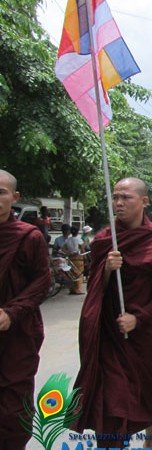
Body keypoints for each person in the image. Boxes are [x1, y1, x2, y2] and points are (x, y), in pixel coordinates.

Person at [71, 177, 152, 449]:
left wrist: (139, 318)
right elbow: (94, 287)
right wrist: (107, 270)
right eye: (116, 197)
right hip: (111, 332)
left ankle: (149, 440)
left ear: (144, 201)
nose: (119, 203)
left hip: (147, 332)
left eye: (126, 197)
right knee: (111, 397)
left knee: (150, 392)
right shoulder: (104, 240)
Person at [0, 169, 51, 450]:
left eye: (1, 192)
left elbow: (42, 281)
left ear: (15, 197)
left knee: (12, 407)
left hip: (17, 333)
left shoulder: (28, 236)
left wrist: (12, 312)